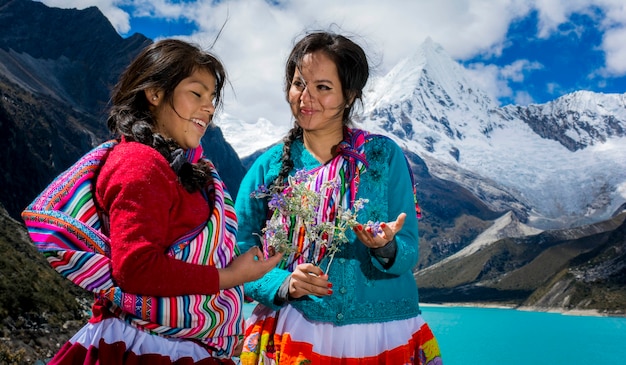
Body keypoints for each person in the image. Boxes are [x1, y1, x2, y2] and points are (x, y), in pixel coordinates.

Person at [21, 39, 282, 364]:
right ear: (155, 93)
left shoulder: (175, 166)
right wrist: (231, 277)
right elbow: (137, 269)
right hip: (146, 350)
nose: (210, 107)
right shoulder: (140, 163)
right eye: (197, 94)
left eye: (212, 98)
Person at [235, 31, 443, 364]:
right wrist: (284, 282)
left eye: (323, 87)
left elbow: (407, 251)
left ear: (349, 96)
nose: (306, 97)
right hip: (296, 329)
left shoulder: (383, 157)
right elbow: (239, 253)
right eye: (298, 84)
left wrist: (385, 246)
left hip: (384, 332)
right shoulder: (268, 168)